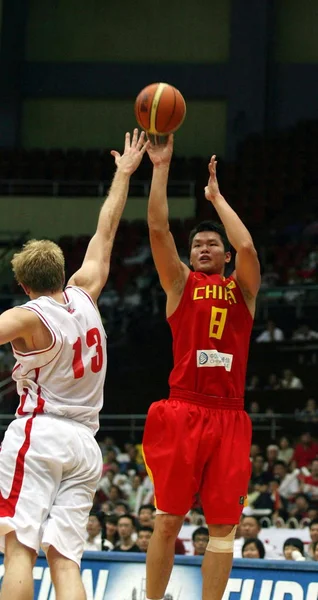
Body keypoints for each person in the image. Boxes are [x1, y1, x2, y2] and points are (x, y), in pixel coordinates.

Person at [0, 129, 149, 600]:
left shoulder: (26, 315)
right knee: (65, 558)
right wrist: (123, 173)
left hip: (40, 432)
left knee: (18, 546)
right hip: (86, 445)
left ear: (24, 285)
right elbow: (106, 230)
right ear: (62, 272)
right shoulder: (86, 292)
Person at [142, 136, 261, 600]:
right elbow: (157, 229)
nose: (204, 248)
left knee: (224, 527)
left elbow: (248, 244)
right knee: (168, 519)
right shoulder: (179, 283)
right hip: (184, 409)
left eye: (214, 244)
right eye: (198, 245)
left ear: (225, 255)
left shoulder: (243, 292)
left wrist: (215, 198)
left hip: (229, 414)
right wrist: (161, 167)